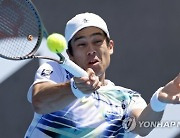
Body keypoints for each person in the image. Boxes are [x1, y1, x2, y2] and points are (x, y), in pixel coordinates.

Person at [24, 12, 180, 138]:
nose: (91, 50)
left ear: (110, 46)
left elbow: (142, 126)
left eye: (97, 41)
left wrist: (158, 101)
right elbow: (40, 102)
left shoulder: (126, 97)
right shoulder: (57, 71)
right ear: (70, 54)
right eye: (82, 44)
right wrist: (74, 89)